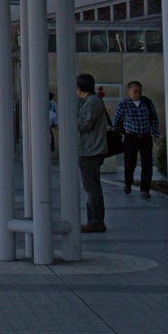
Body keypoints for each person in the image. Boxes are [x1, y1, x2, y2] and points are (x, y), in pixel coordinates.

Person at [112, 80, 161, 199]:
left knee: (147, 163)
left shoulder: (147, 103)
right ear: (129, 92)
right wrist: (118, 131)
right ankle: (128, 182)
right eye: (135, 91)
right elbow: (116, 120)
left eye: (139, 91)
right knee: (130, 162)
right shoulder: (124, 104)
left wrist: (156, 134)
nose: (138, 93)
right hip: (131, 137)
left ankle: (145, 189)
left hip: (145, 136)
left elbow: (154, 119)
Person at [76, 73, 108, 233]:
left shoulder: (92, 102)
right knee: (92, 186)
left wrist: (70, 116)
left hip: (91, 150)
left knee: (92, 187)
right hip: (89, 148)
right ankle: (94, 220)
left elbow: (84, 125)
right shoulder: (89, 102)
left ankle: (95, 220)